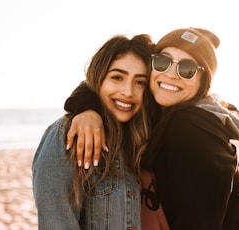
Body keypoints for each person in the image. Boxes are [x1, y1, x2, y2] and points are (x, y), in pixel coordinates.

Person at [63, 27, 239, 229]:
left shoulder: (192, 128)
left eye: (187, 69)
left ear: (203, 82)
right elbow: (97, 81)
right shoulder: (162, 109)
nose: (171, 74)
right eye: (162, 62)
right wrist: (87, 109)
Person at [32, 33, 155, 229]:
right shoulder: (65, 136)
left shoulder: (142, 136)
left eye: (140, 82)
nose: (128, 92)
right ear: (98, 79)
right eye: (117, 77)